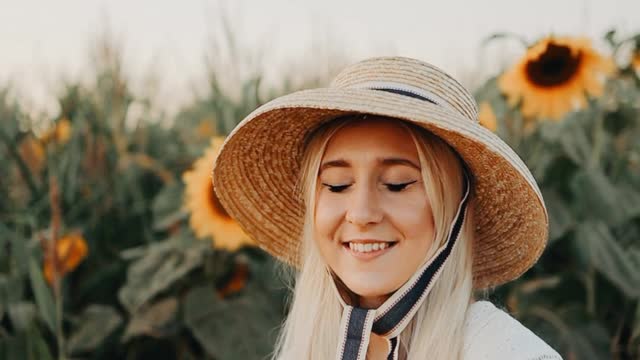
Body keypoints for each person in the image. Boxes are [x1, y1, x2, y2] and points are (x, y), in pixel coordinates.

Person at [212, 56, 563, 360]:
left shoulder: (503, 351)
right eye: (336, 185)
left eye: (397, 184)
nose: (362, 213)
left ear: (455, 208)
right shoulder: (306, 346)